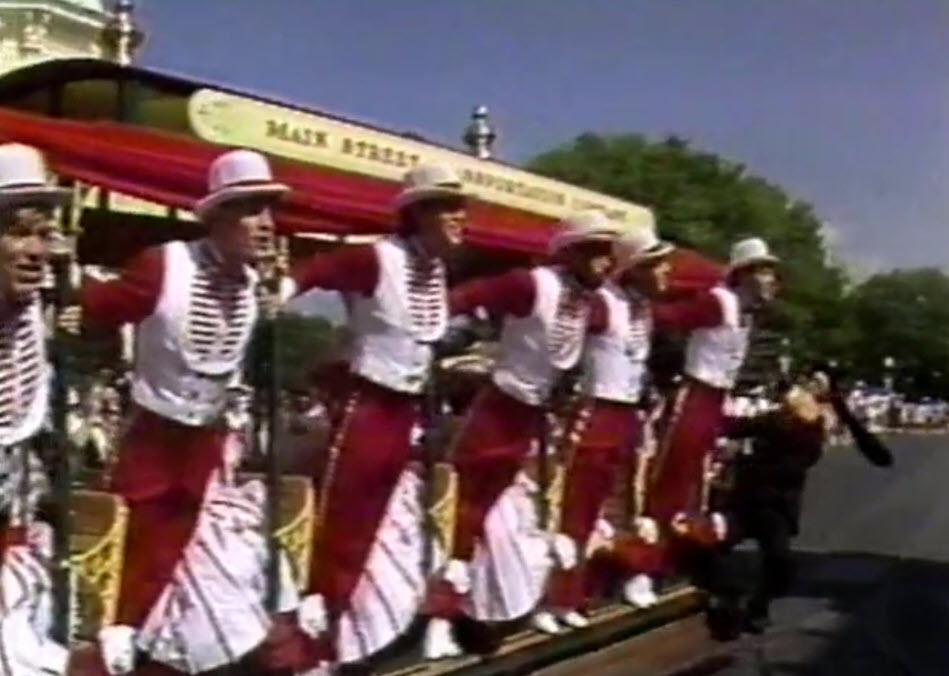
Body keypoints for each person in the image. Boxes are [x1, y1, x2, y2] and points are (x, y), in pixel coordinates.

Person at [81, 149, 296, 675]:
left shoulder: (256, 285)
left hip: (211, 447)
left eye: (269, 211)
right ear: (219, 217)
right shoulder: (165, 265)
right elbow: (97, 307)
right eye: (252, 210)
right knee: (141, 560)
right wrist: (70, 296)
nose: (266, 225)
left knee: (222, 563)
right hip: (153, 440)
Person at [281, 163, 466, 668]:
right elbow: (321, 268)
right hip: (368, 405)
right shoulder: (377, 258)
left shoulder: (435, 270)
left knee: (385, 528)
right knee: (340, 528)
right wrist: (284, 288)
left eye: (460, 208)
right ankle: (310, 648)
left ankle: (376, 630)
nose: (460, 218)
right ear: (420, 213)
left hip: (409, 409)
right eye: (448, 208)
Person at [424, 210, 620, 659]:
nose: (606, 262)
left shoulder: (592, 304)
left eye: (609, 253)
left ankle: (511, 604)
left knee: (519, 513)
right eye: (597, 252)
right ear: (572, 254)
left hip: (536, 414)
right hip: (499, 410)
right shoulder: (530, 284)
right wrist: (431, 334)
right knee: (466, 512)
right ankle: (440, 617)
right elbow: (467, 297)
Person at [532, 227, 673, 634]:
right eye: (658, 264)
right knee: (573, 511)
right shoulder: (602, 304)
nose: (667, 272)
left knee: (623, 506)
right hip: (595, 412)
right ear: (637, 268)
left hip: (627, 415)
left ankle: (592, 589)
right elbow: (560, 343)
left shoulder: (643, 309)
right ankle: (551, 598)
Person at [703, 367, 893, 638]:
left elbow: (876, 453)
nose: (809, 386)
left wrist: (842, 410)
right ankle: (726, 596)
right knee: (714, 544)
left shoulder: (821, 422)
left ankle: (757, 607)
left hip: (779, 503)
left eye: (817, 383)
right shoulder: (780, 419)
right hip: (747, 495)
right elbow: (734, 427)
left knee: (780, 565)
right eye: (808, 382)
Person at [645, 238, 781, 555]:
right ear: (744, 275)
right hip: (696, 394)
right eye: (764, 272)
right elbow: (668, 318)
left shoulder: (747, 313)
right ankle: (652, 551)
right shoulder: (719, 302)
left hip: (716, 398)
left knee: (700, 477)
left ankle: (681, 547)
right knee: (674, 475)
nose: (773, 280)